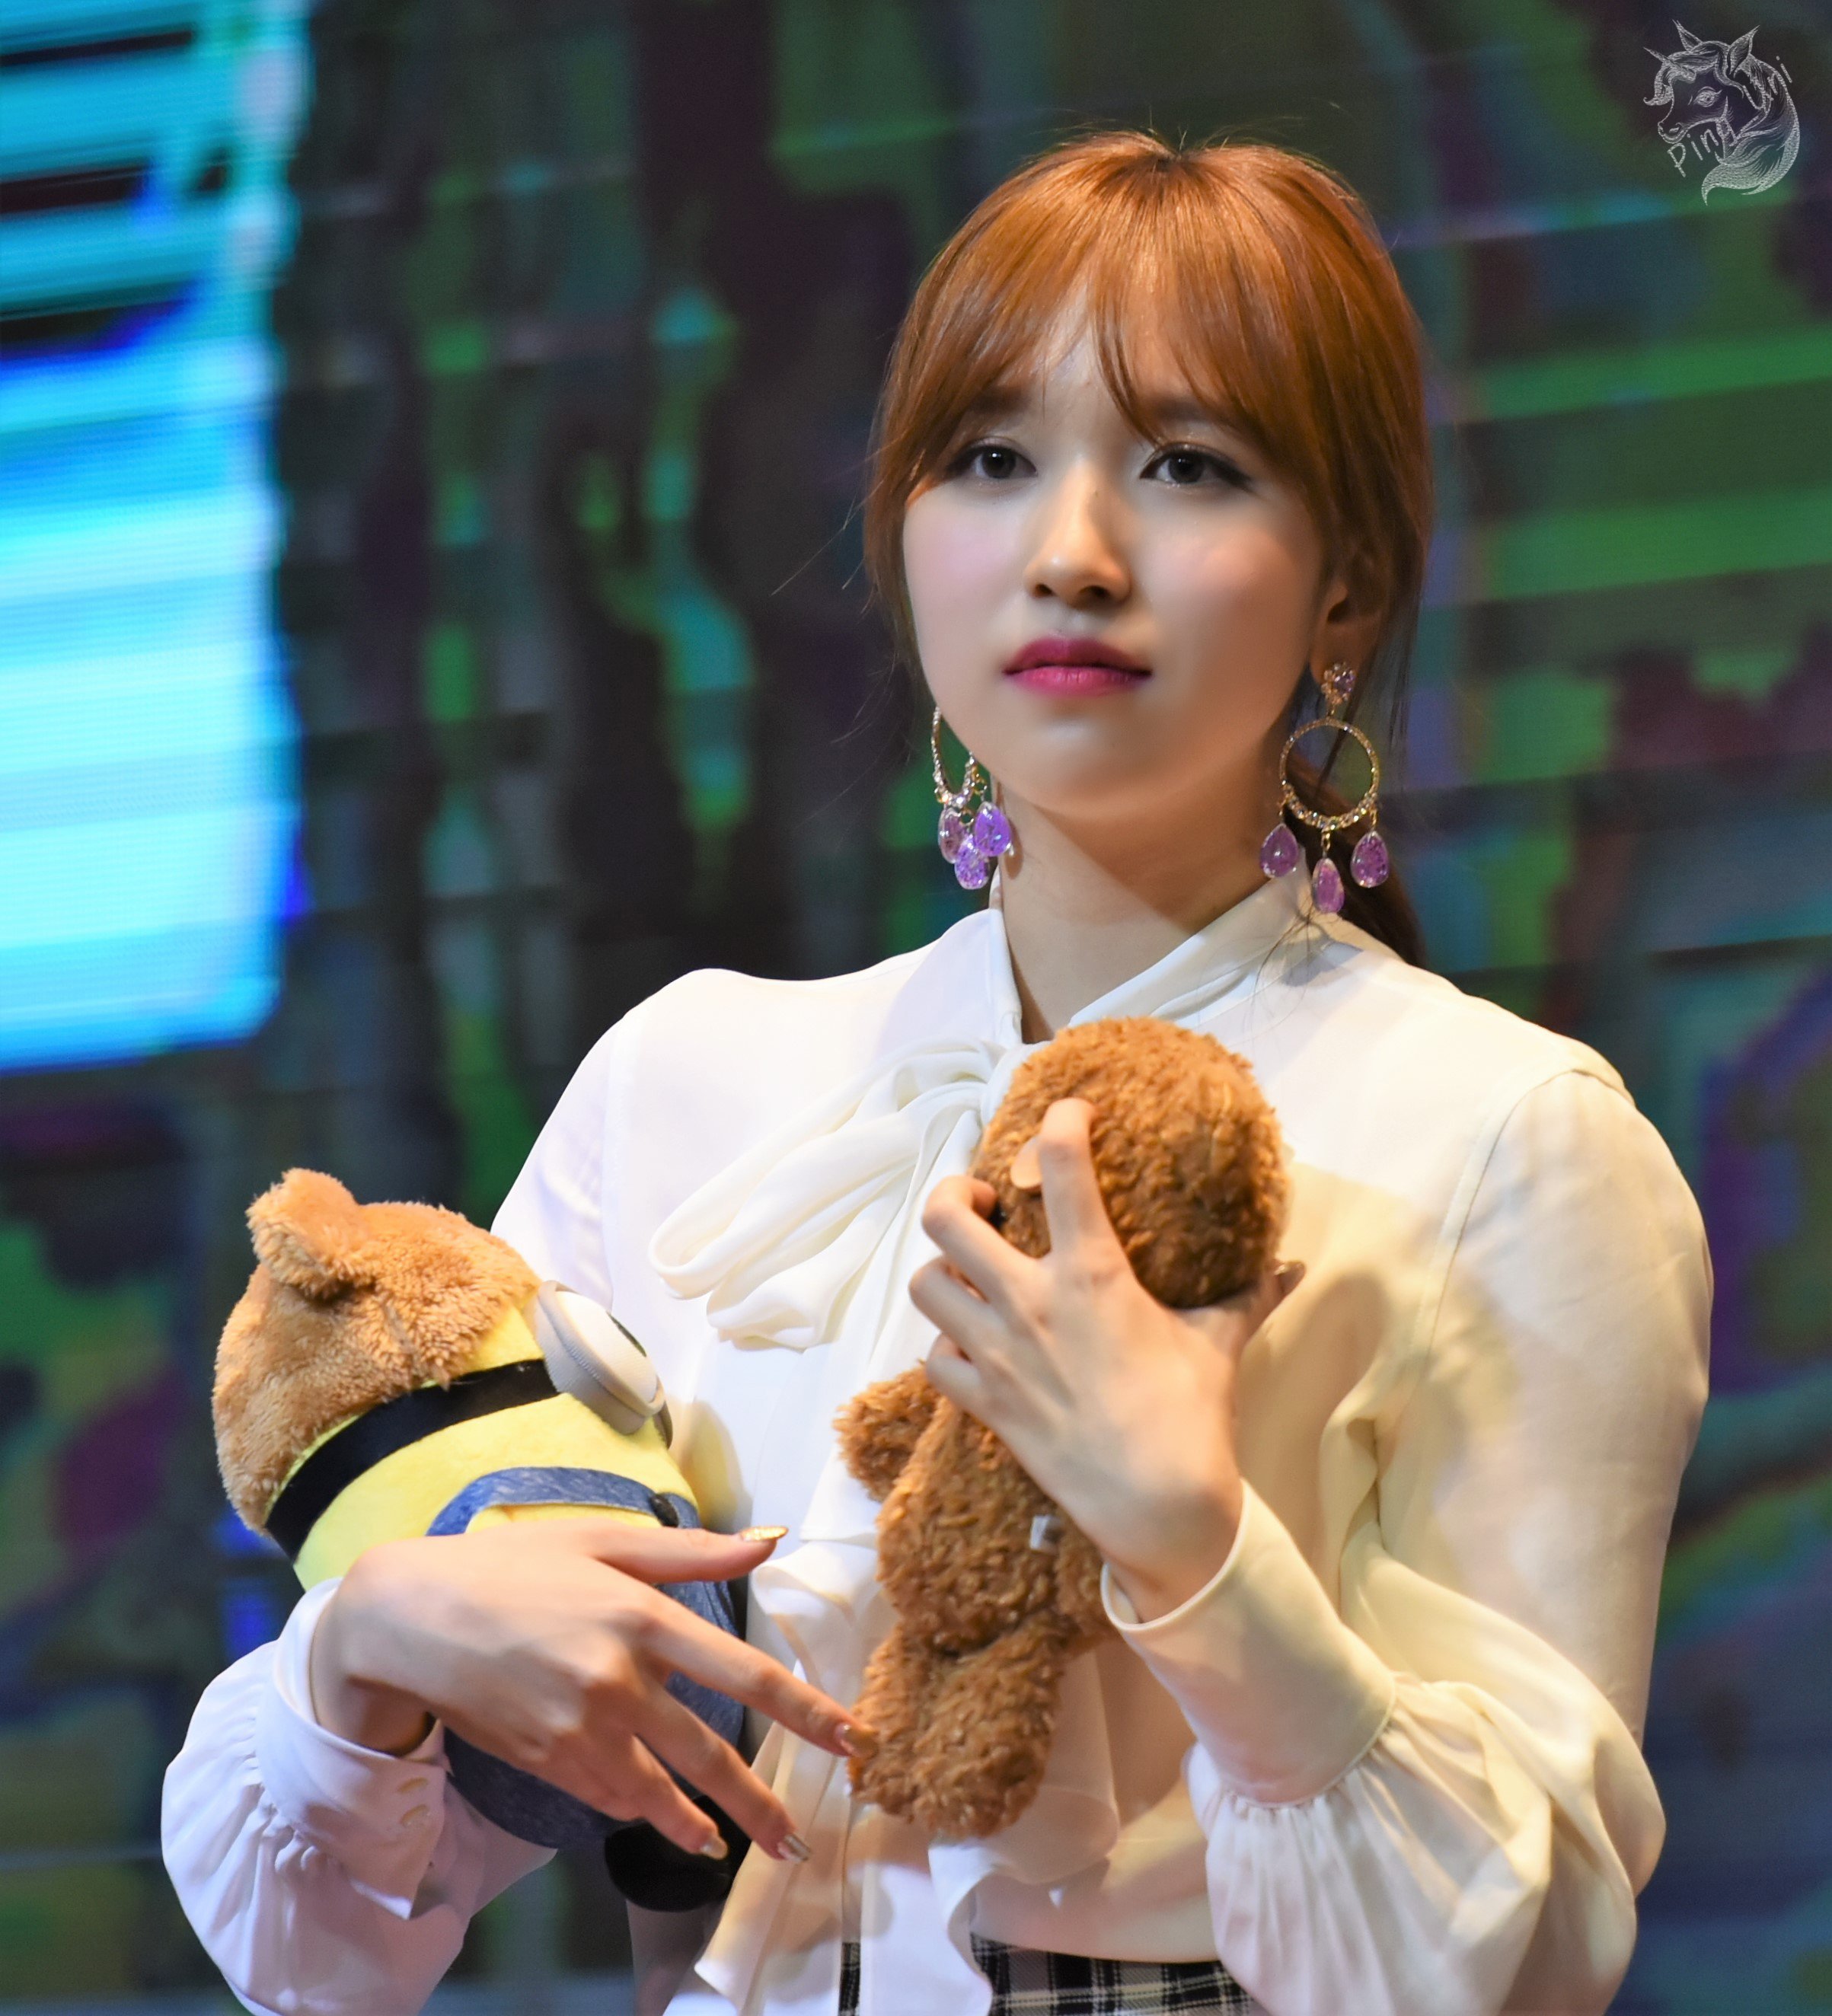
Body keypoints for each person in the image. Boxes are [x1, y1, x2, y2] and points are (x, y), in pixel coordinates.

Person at [163, 132, 1710, 2016]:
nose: (1072, 552)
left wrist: (1198, 1547)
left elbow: (1518, 1959)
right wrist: (371, 1648)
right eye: (990, 458)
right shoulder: (690, 1085)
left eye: (1189, 465)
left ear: (1349, 591)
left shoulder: (1512, 1141)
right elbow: (318, 1954)